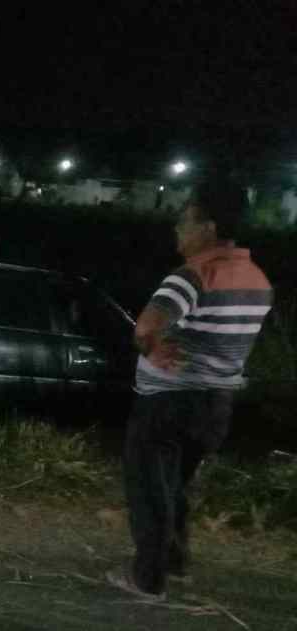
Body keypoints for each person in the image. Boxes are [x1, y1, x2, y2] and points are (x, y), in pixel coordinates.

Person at [106, 178, 273, 600]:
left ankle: (147, 578)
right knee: (175, 485)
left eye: (185, 223)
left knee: (149, 488)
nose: (177, 232)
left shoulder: (192, 276)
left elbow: (145, 327)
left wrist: (151, 347)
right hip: (216, 405)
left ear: (209, 229)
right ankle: (176, 562)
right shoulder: (257, 280)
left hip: (169, 401)